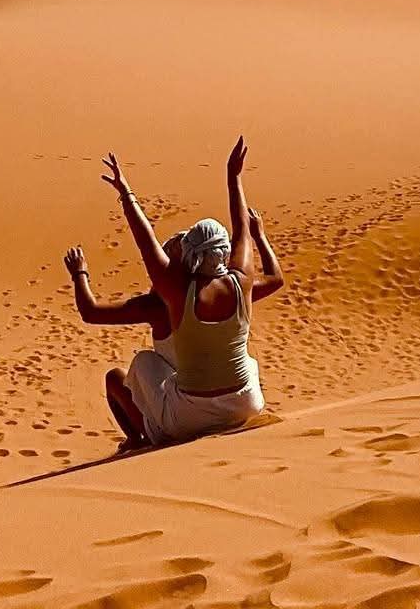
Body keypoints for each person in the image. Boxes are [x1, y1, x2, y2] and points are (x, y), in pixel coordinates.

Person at [64, 136, 276, 449]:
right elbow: (241, 229)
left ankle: (142, 439)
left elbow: (144, 242)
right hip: (246, 404)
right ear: (225, 251)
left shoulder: (174, 294)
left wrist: (126, 195)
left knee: (143, 365)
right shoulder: (242, 283)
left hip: (190, 416)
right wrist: (234, 178)